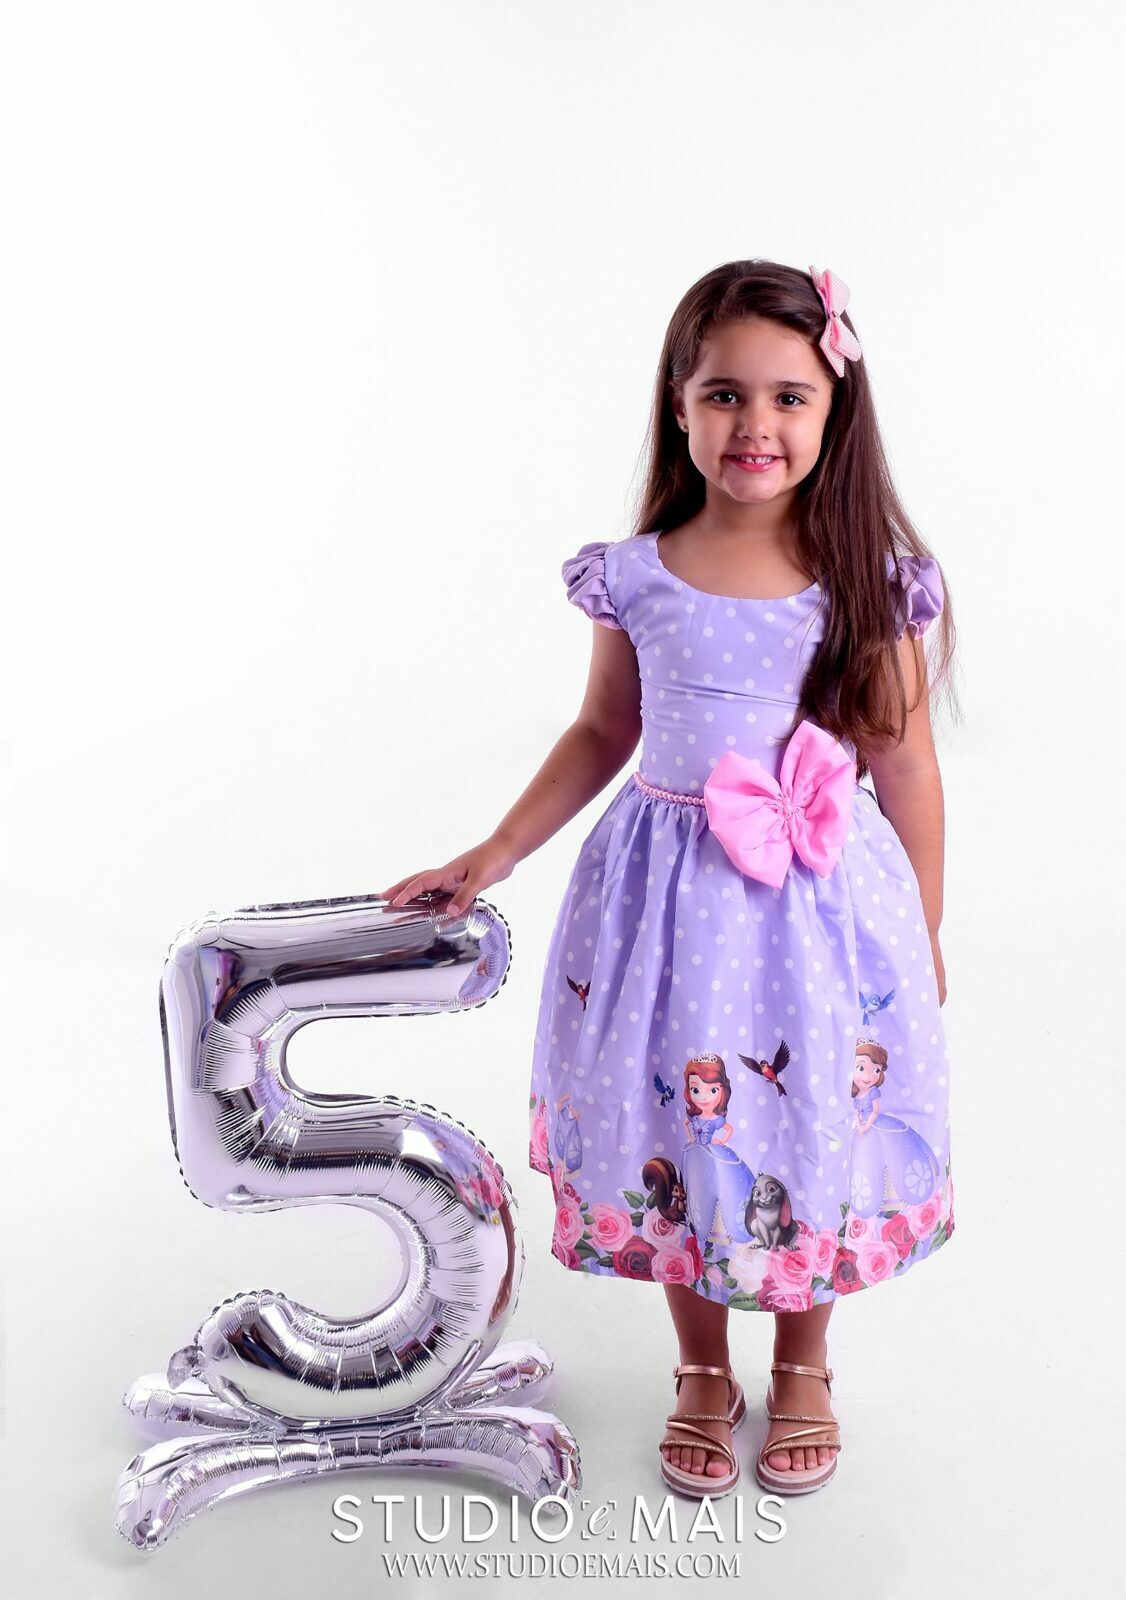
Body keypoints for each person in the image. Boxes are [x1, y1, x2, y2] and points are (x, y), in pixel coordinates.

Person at [379, 259, 958, 1501]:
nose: (756, 424)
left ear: (834, 410)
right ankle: (701, 1366)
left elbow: (905, 762)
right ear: (678, 405)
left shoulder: (868, 579)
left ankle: (801, 1362)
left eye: (790, 397)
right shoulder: (635, 572)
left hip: (819, 908)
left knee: (807, 1117)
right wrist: (492, 851)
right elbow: (603, 729)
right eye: (724, 393)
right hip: (669, 907)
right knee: (683, 1122)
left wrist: (923, 929)